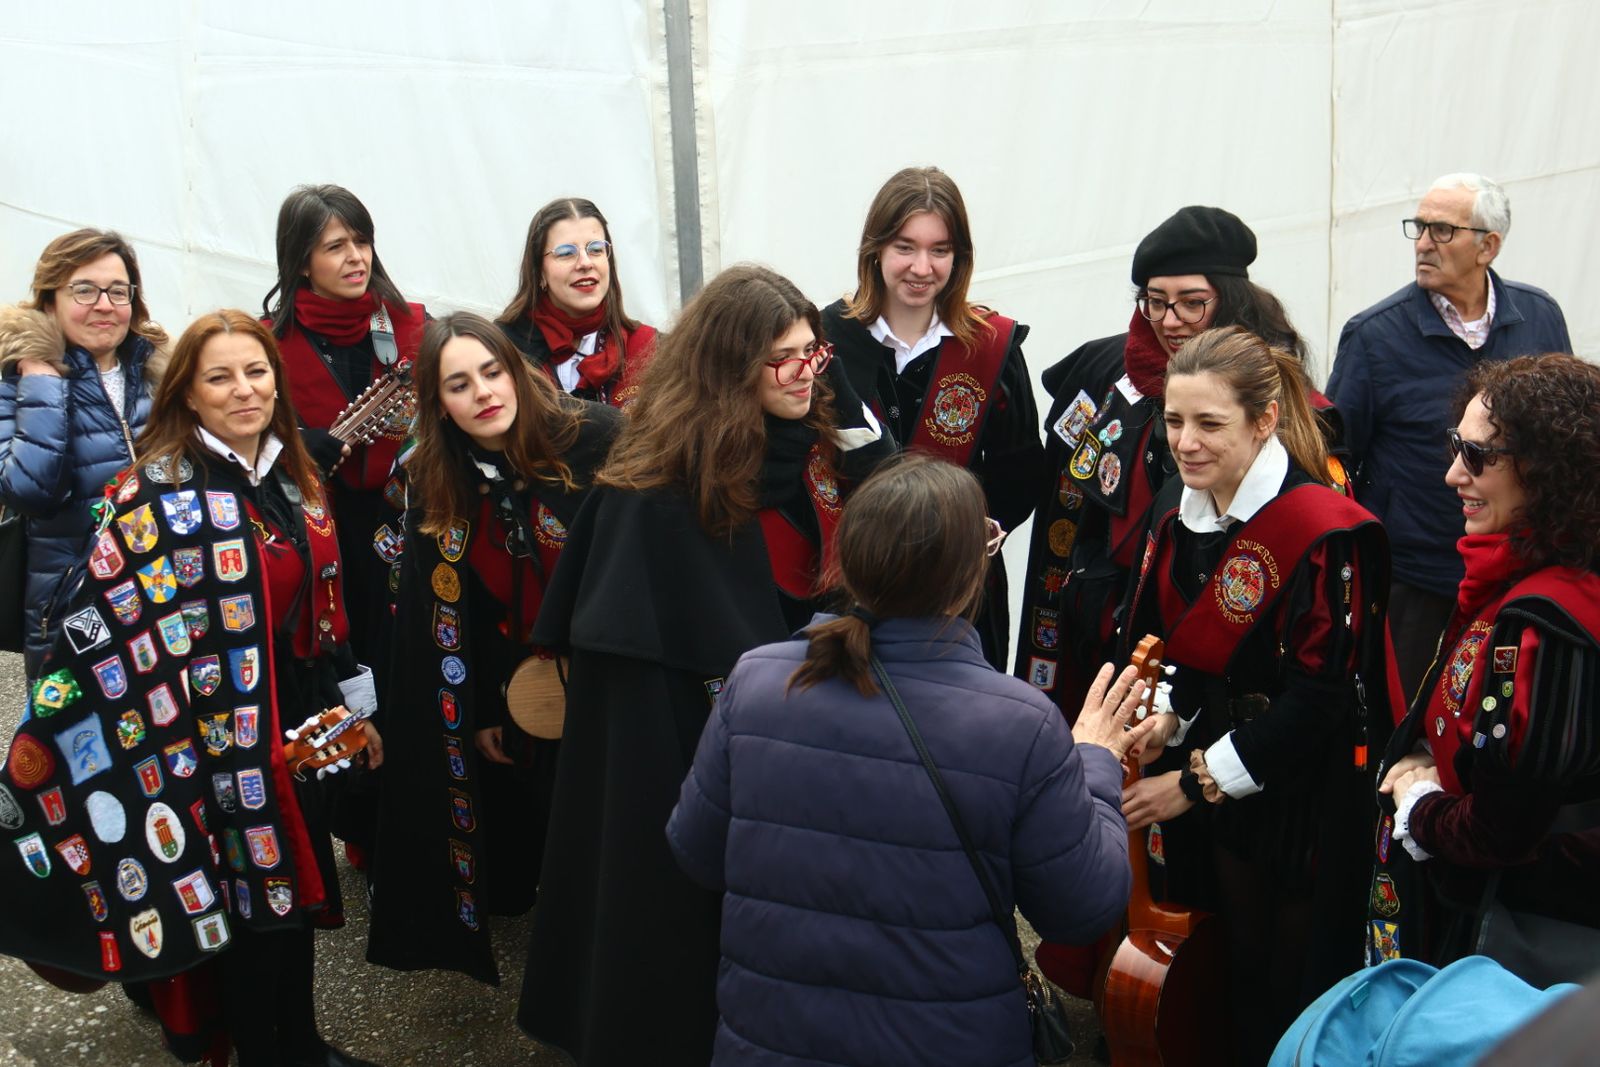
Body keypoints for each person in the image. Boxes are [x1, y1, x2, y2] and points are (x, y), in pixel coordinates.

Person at [666, 453, 1157, 1066]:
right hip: (947, 1040)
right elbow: (1082, 907)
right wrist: (1097, 760)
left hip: (772, 1038)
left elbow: (695, 849)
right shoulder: (1018, 722)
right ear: (967, 576)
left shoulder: (759, 678)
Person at [518, 264, 889, 1066]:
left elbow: (877, 504)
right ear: (727, 370)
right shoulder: (656, 491)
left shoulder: (813, 451)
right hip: (683, 748)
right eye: (783, 358)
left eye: (812, 353)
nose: (805, 374)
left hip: (794, 731)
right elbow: (646, 672)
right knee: (674, 938)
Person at [0, 310, 379, 1066]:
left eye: (257, 371)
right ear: (188, 394)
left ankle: (301, 1043)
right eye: (220, 376)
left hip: (294, 722)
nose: (244, 389)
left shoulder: (295, 474)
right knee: (244, 902)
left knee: (293, 891)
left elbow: (327, 607)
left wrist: (355, 707)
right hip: (198, 740)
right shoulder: (154, 495)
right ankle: (261, 1052)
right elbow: (102, 622)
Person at [1117, 327, 1395, 1065]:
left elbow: (1321, 697)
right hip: (1224, 791)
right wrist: (1168, 719)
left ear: (1264, 420)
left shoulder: (1323, 528)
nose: (1186, 441)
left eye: (1210, 423)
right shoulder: (1179, 510)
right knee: (1234, 972)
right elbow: (1181, 648)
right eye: (1175, 420)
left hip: (1306, 791)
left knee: (1294, 983)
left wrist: (1193, 781)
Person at [365, 312, 620, 983]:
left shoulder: (594, 437)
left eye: (491, 370)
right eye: (458, 383)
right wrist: (479, 710)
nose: (482, 391)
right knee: (544, 838)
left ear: (516, 369)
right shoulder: (437, 479)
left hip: (609, 685)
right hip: (519, 697)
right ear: (439, 404)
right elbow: (445, 618)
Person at [1016, 205, 1317, 720]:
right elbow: (1055, 490)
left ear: (1229, 298)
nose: (1171, 321)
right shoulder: (1105, 370)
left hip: (1211, 633)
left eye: (1191, 304)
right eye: (1156, 303)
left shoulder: (1269, 390)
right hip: (1099, 630)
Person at [1375, 353, 1600, 981]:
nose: (1452, 475)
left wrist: (1421, 804)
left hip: (1525, 952)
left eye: (1478, 456)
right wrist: (1432, 749)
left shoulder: (1545, 625)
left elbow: (1501, 836)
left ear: (1549, 472)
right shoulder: (1541, 575)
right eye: (1456, 447)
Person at [1327, 173, 1572, 702]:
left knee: (1504, 718)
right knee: (1415, 725)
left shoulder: (1540, 316)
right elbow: (1334, 459)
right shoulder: (1374, 336)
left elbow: (1567, 438)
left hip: (1523, 569)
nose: (1422, 243)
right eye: (1418, 228)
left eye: (1442, 230)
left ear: (1489, 245)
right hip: (1417, 578)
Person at [821, 165, 1044, 671]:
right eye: (905, 247)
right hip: (851, 586)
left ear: (958, 258)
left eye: (939, 250)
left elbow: (1021, 473)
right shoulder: (825, 338)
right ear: (874, 249)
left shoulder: (992, 345)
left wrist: (983, 525)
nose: (922, 267)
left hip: (958, 593)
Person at [262, 183, 428, 696]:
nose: (356, 258)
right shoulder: (266, 345)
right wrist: (289, 445)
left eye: (362, 241)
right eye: (336, 247)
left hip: (410, 525)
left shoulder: (415, 327)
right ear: (302, 262)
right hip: (321, 536)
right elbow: (233, 440)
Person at [0, 229, 169, 676]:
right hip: (71, 609)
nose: (104, 305)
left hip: (162, 596)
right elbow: (29, 491)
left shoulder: (160, 376)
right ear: (50, 299)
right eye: (84, 290)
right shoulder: (14, 384)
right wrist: (43, 382)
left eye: (118, 291)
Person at [496, 197, 657, 408]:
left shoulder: (648, 347)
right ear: (539, 272)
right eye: (566, 253)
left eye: (596, 249)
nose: (585, 263)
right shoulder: (503, 348)